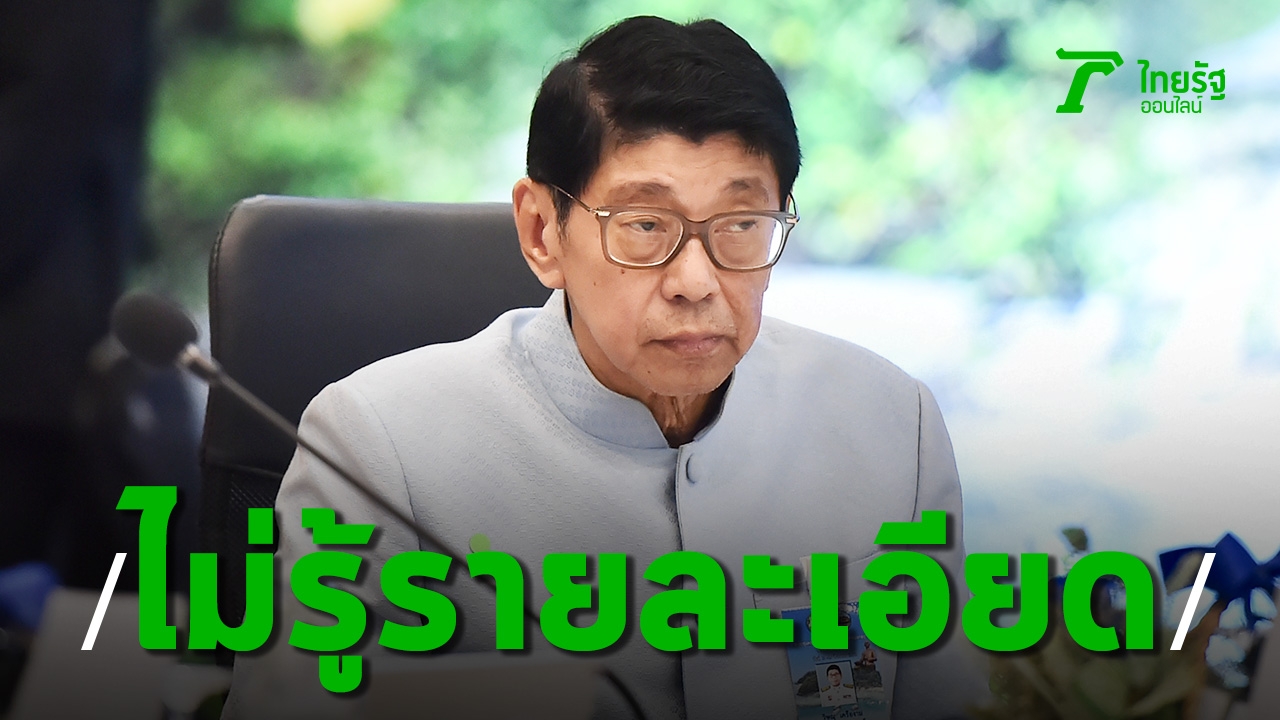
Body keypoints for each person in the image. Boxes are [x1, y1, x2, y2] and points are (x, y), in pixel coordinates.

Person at [224, 15, 983, 720]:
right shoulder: (376, 445)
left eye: (742, 223)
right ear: (541, 232)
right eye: (645, 225)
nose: (696, 280)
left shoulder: (893, 424)